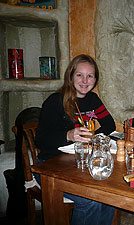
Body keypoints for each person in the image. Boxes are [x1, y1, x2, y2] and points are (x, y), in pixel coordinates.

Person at [35, 54, 116, 225]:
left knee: (111, 194)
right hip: (49, 166)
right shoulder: (55, 101)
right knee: (90, 201)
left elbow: (109, 124)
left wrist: (94, 138)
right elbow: (41, 140)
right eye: (79, 75)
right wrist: (68, 135)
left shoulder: (93, 99)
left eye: (90, 75)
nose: (85, 80)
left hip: (79, 165)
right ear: (71, 76)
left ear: (95, 79)